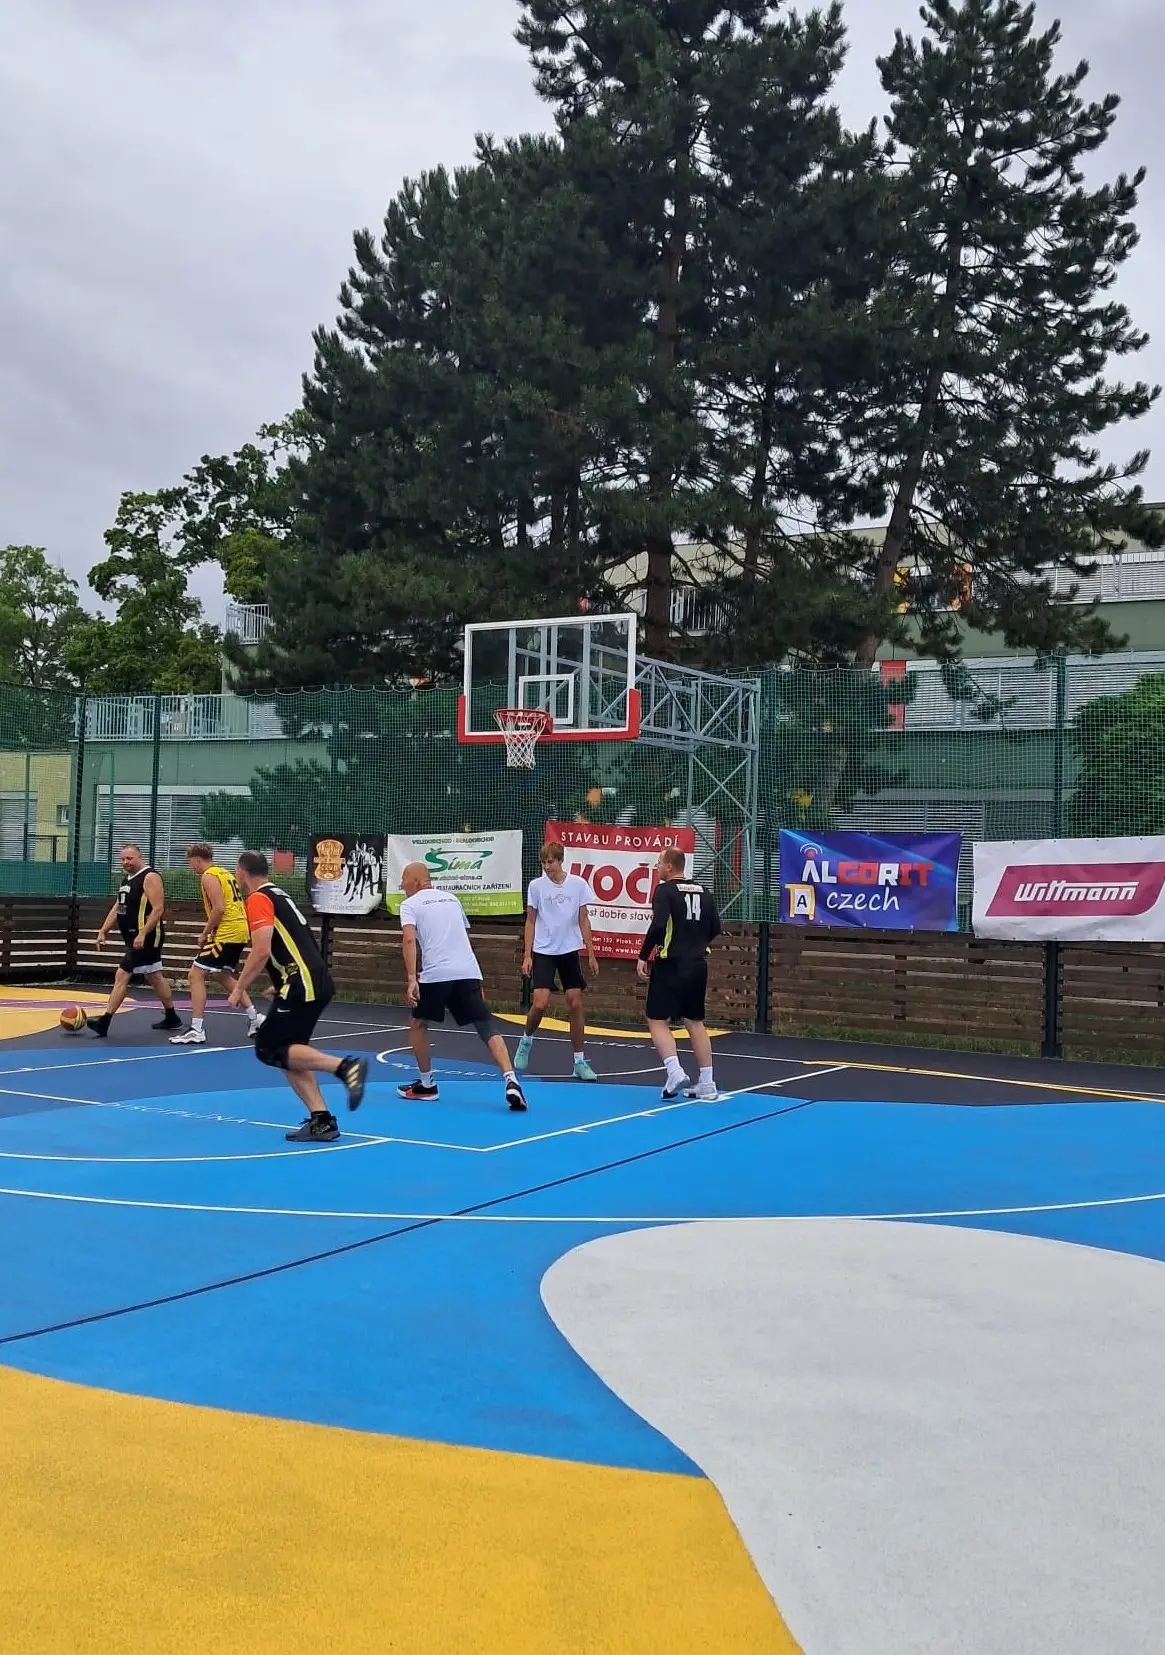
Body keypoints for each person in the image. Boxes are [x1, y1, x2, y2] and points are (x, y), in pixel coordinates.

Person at [227, 851, 367, 1143]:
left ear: (241, 871)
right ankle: (322, 1121)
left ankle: (345, 1067)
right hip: (309, 979)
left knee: (267, 1047)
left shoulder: (258, 898)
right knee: (288, 1053)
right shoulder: (280, 895)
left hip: (303, 981)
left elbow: (262, 949)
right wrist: (283, 981)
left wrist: (239, 987)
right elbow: (299, 942)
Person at [395, 862, 527, 1112]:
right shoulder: (452, 900)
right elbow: (462, 938)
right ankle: (511, 1080)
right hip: (467, 972)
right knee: (485, 1025)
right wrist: (477, 979)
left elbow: (409, 939)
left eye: (404, 879)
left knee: (417, 1024)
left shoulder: (410, 905)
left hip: (436, 974)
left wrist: (412, 978)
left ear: (416, 881)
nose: (401, 885)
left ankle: (427, 1085)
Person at [636, 847, 722, 1100]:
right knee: (694, 1021)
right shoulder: (705, 892)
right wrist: (696, 944)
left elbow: (658, 925)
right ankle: (707, 1082)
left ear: (669, 867)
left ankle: (674, 1070)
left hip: (671, 963)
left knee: (656, 1019)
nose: (656, 867)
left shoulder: (665, 891)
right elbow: (716, 927)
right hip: (697, 965)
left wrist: (643, 955)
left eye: (659, 863)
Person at [516, 841, 599, 1081]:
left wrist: (591, 953)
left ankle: (579, 1062)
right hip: (544, 951)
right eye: (543, 862)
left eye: (550, 862)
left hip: (569, 950)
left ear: (561, 860)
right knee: (540, 1003)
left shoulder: (578, 885)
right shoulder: (536, 886)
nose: (547, 866)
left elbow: (584, 920)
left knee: (575, 1003)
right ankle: (526, 1040)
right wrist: (527, 955)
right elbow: (531, 921)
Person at [170, 843, 264, 1045]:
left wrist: (205, 933)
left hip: (227, 932)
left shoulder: (209, 876)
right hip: (239, 930)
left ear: (197, 860)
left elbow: (219, 908)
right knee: (222, 974)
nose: (191, 866)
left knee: (195, 974)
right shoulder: (225, 873)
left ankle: (196, 1029)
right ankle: (254, 1017)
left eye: (190, 862)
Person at [90, 844, 181, 1038]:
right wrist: (103, 930)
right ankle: (172, 1016)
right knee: (154, 976)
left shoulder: (150, 876)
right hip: (133, 936)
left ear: (140, 857)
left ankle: (104, 1022)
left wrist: (143, 933)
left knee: (122, 975)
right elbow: (118, 907)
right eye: (122, 859)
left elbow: (158, 908)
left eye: (129, 858)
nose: (125, 862)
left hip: (147, 936)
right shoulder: (127, 880)